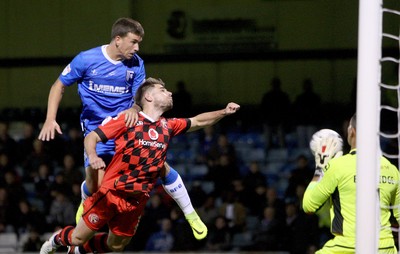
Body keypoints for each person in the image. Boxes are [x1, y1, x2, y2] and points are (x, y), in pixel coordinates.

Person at [37, 17, 207, 240]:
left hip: (126, 127)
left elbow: (141, 97)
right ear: (118, 40)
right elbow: (59, 85)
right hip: (96, 130)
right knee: (95, 184)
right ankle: (85, 197)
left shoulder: (136, 63)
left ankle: (190, 213)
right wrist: (50, 119)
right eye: (134, 42)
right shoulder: (86, 60)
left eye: (139, 43)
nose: (137, 48)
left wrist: (134, 108)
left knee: (159, 165)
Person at [40, 77, 240, 254]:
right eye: (163, 90)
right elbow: (92, 137)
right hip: (112, 193)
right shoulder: (129, 119)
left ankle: (80, 251)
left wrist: (223, 111)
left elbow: (197, 121)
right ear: (149, 98)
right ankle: (54, 242)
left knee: (116, 246)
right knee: (76, 237)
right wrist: (92, 156)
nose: (169, 92)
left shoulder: (167, 126)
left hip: (137, 201)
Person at [303, 114, 400, 253]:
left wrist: (320, 168)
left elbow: (308, 205)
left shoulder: (338, 165)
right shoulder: (391, 168)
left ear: (351, 131)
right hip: (385, 248)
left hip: (348, 247)